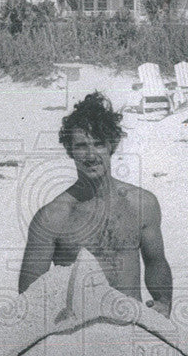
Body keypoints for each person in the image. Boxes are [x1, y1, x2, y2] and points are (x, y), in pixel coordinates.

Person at [18, 91, 173, 317]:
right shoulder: (53, 217)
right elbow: (28, 295)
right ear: (70, 151)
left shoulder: (142, 204)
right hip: (76, 332)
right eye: (81, 146)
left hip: (131, 323)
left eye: (99, 144)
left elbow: (155, 262)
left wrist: (164, 302)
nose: (91, 155)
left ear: (112, 146)